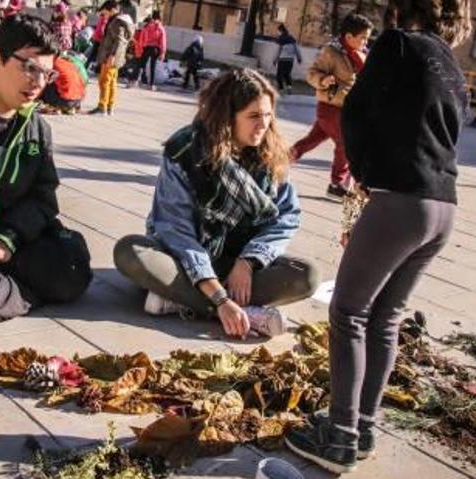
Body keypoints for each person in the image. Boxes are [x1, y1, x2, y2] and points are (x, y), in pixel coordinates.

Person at [284, 0, 472, 474]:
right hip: (443, 205)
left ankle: (340, 436)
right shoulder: (451, 66)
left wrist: (363, 175)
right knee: (385, 317)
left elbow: (359, 111)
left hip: (398, 200)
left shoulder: (398, 44)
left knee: (348, 311)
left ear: (400, 11)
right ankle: (363, 425)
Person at [114, 68, 321, 339]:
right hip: (185, 261)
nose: (264, 125)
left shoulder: (270, 153)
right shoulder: (186, 151)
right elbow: (176, 231)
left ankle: (179, 301)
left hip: (238, 264)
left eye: (268, 115)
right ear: (227, 118)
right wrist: (221, 298)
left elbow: (286, 216)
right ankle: (238, 312)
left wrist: (248, 262)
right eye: (254, 116)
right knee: (130, 252)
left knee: (307, 276)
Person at [0, 15, 93, 321]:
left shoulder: (37, 128)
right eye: (29, 67)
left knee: (71, 268)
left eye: (46, 73)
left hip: (11, 238)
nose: (38, 82)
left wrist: (7, 237)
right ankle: (2, 292)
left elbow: (43, 197)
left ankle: (6, 290)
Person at [290, 13, 373, 201]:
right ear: (349, 37)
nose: (365, 41)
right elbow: (312, 73)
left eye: (367, 38)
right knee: (345, 144)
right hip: (331, 108)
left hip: (348, 110)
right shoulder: (331, 52)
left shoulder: (363, 54)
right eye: (363, 37)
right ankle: (336, 185)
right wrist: (323, 79)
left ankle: (279, 161)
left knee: (312, 140)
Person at [88, 0, 134, 116]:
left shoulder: (117, 22)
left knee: (104, 81)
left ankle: (102, 107)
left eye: (106, 13)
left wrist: (112, 55)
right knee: (111, 81)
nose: (105, 15)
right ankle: (109, 107)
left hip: (111, 56)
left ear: (113, 10)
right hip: (114, 56)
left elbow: (119, 40)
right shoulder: (119, 20)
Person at [139, 10, 166, 90]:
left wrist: (141, 46)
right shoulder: (160, 27)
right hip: (155, 49)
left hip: (146, 47)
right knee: (153, 66)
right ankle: (152, 84)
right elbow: (163, 41)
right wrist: (163, 52)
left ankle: (141, 79)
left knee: (142, 64)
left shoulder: (148, 25)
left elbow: (142, 36)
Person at [274, 24, 302, 94]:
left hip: (282, 59)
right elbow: (296, 49)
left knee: (279, 75)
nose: (278, 32)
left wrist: (275, 59)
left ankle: (281, 89)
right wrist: (299, 58)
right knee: (287, 74)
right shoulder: (292, 38)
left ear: (281, 30)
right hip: (290, 60)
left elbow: (279, 50)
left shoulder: (281, 38)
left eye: (278, 31)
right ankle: (289, 87)